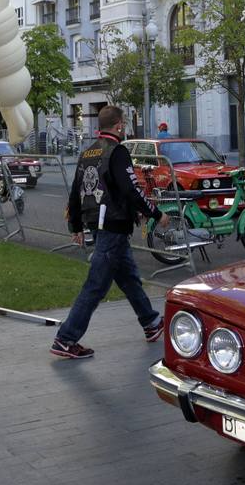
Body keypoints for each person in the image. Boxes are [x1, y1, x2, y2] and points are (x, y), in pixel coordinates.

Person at [53, 105, 169, 360]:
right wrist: (156, 213)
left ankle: (151, 322)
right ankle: (66, 338)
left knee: (129, 279)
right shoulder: (117, 152)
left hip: (100, 223)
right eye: (124, 123)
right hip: (113, 226)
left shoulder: (88, 152)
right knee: (95, 286)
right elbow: (132, 189)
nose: (125, 127)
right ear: (118, 125)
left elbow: (74, 192)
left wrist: (76, 225)